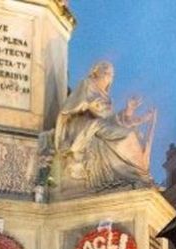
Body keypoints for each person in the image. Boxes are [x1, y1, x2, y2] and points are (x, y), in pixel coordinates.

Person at [53, 61, 156, 189]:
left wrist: (129, 110)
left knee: (134, 133)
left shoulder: (106, 96)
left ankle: (138, 174)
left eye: (111, 75)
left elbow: (110, 118)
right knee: (127, 135)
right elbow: (70, 107)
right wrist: (89, 105)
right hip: (86, 123)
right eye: (106, 73)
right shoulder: (87, 84)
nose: (109, 77)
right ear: (96, 72)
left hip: (102, 124)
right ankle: (132, 174)